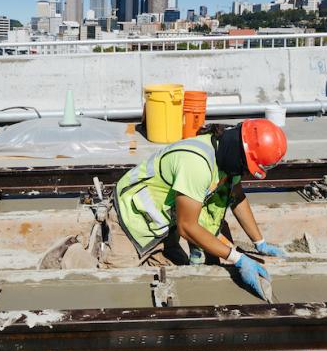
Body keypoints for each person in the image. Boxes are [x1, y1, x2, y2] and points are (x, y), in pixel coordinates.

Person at [101, 119, 288, 300]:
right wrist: (237, 258)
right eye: (247, 168)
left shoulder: (228, 156)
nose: (245, 173)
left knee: (180, 278)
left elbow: (237, 197)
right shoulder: (196, 164)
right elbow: (187, 226)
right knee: (119, 286)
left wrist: (260, 242)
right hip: (131, 220)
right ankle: (76, 249)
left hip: (163, 225)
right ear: (240, 154)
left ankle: (155, 254)